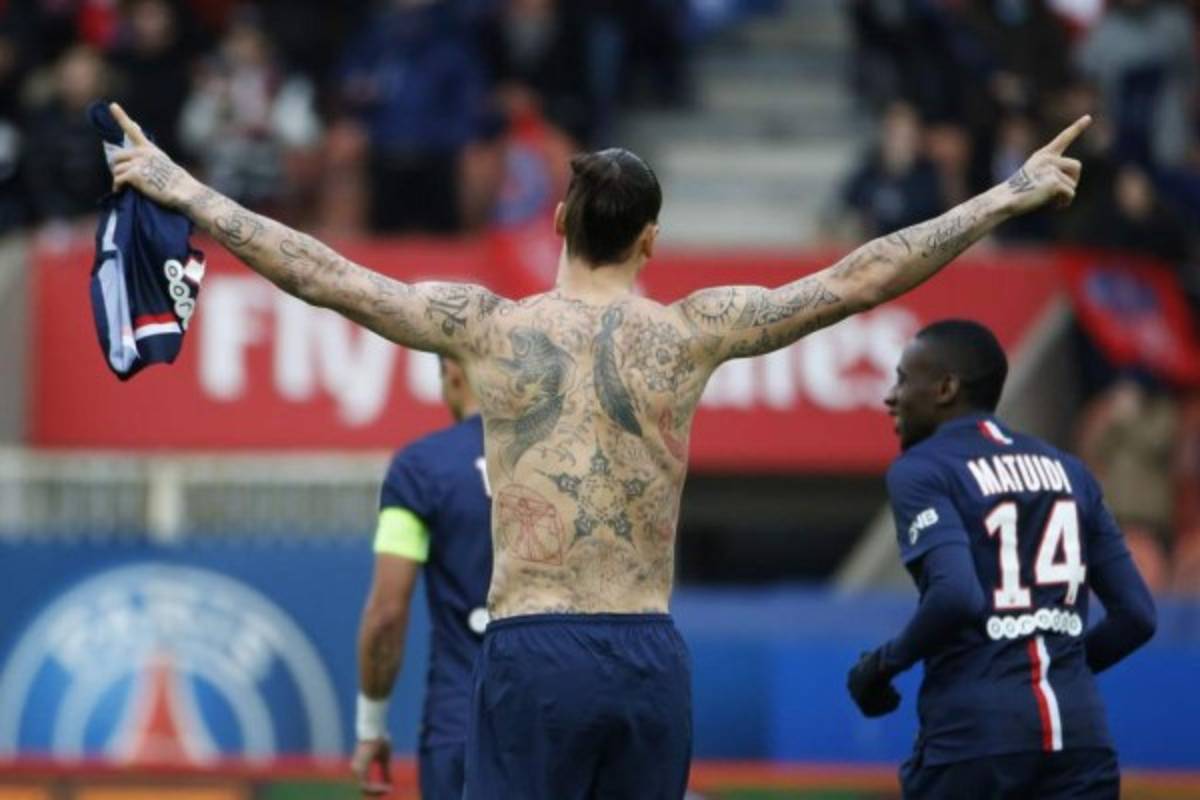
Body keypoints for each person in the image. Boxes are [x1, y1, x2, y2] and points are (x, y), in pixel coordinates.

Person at [107, 101, 1089, 799]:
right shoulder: (693, 332)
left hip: (531, 648)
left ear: (558, 222)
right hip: (647, 652)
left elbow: (322, 273)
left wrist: (180, 188)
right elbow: (862, 277)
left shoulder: (489, 328)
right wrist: (1005, 196)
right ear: (650, 239)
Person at [846, 320, 1157, 799]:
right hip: (1080, 737)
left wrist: (882, 665)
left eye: (904, 380)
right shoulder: (1071, 471)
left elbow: (955, 594)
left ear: (946, 388)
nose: (891, 396)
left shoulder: (923, 468)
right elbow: (1137, 616)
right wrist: (1063, 668)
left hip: (974, 738)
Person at [351, 356, 491, 799]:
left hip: (463, 724)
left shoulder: (420, 468)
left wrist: (371, 726)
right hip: (561, 721)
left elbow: (386, 616)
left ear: (453, 369)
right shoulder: (566, 462)